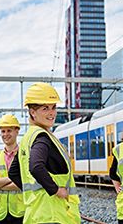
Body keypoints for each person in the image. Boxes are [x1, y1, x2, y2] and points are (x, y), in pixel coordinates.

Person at [9, 82, 81, 224]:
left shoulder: (27, 138)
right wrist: (55, 190)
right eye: (45, 108)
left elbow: (13, 173)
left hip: (36, 213)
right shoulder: (42, 138)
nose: (52, 113)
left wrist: (35, 193)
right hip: (53, 214)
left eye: (53, 107)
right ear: (32, 112)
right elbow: (36, 167)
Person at [0, 114, 25, 224]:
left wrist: (0, 185)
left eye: (9, 130)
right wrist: (13, 179)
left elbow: (25, 182)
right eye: (3, 131)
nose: (5, 134)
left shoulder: (24, 155)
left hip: (20, 211)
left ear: (17, 131)